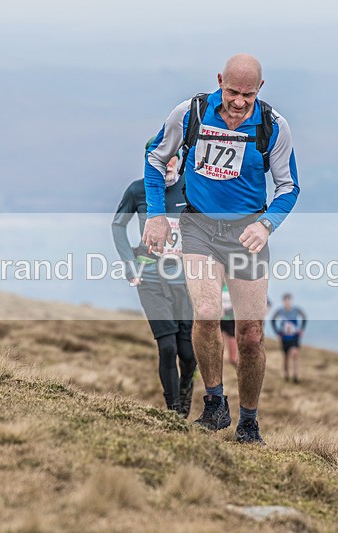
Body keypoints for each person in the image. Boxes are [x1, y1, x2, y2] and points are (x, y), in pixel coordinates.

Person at [142, 54, 300, 444]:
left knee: (249, 335)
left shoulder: (273, 127)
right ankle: (214, 403)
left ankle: (249, 421)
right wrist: (157, 215)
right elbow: (155, 157)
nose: (239, 102)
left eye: (248, 94)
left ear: (259, 89)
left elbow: (288, 187)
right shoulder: (190, 113)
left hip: (247, 233)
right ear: (219, 82)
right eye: (232, 92)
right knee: (208, 312)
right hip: (198, 227)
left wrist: (267, 225)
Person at [111, 139, 197, 417]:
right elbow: (118, 225)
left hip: (186, 281)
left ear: (181, 158)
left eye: (174, 156)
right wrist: (129, 264)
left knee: (189, 353)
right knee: (168, 347)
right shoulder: (138, 190)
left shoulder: (192, 187)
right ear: (151, 159)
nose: (169, 162)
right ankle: (174, 413)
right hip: (149, 277)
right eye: (162, 157)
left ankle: (185, 397)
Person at [271, 293, 307, 383]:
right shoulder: (280, 311)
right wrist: (277, 333)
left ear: (291, 301)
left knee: (295, 354)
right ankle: (286, 374)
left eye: (289, 301)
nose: (287, 303)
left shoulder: (296, 310)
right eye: (285, 301)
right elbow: (273, 320)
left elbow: (304, 317)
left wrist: (301, 329)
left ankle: (295, 375)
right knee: (286, 357)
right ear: (283, 302)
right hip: (284, 337)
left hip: (294, 336)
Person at [220, 283, 238, 368]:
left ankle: (241, 373)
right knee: (218, 354)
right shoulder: (217, 286)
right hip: (219, 321)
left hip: (231, 321)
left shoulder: (234, 286)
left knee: (233, 359)